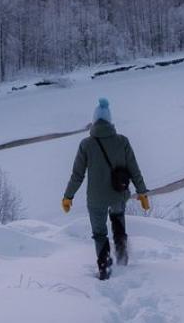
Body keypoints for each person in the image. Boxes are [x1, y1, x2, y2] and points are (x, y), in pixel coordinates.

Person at [61, 97, 150, 280]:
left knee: (99, 233)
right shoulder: (122, 141)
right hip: (118, 194)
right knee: (118, 225)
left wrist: (68, 196)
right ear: (110, 121)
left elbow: (77, 175)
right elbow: (134, 169)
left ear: (94, 121)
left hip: (95, 200)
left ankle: (104, 268)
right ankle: (122, 260)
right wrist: (142, 192)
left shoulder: (86, 144)